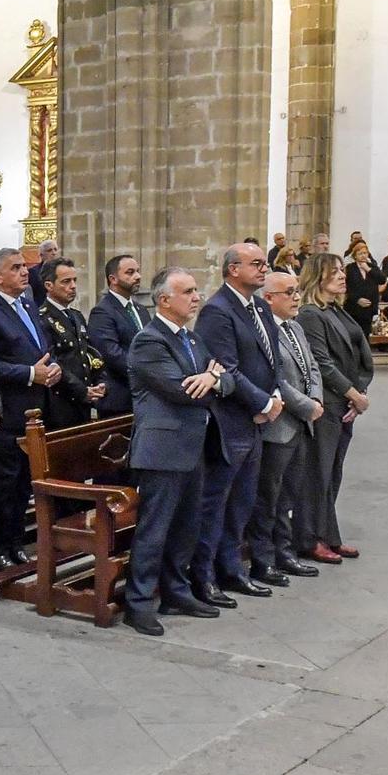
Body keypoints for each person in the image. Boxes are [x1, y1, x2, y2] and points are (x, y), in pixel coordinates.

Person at [121, 268, 225, 637]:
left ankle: (177, 591)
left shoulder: (192, 340)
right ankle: (139, 603)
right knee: (154, 529)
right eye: (188, 291)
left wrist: (212, 377)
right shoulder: (149, 341)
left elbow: (222, 375)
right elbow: (180, 390)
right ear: (164, 300)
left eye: (196, 291)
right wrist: (209, 379)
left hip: (193, 445)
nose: (196, 297)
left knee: (186, 526)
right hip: (162, 450)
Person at [188, 243, 284, 607]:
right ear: (232, 270)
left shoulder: (258, 305)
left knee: (242, 502)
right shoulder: (217, 311)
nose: (264, 269)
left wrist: (273, 396)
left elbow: (270, 359)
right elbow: (226, 367)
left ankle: (232, 569)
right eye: (256, 264)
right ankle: (204, 577)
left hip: (256, 419)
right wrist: (262, 402)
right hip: (230, 422)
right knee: (216, 503)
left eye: (264, 263)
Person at [0, 247, 58, 568]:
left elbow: (40, 346)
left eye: (24, 266)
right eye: (16, 267)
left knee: (24, 484)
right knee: (6, 483)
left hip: (35, 409)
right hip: (9, 411)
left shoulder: (27, 301)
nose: (25, 272)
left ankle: (17, 543)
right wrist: (32, 374)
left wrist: (51, 367)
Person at [296, 253, 373, 564]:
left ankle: (328, 534)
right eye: (335, 272)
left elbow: (356, 355)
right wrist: (353, 393)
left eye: (342, 271)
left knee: (333, 471)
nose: (343, 276)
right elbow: (321, 362)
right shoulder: (311, 314)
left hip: (345, 402)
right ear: (318, 278)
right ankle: (309, 538)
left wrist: (358, 394)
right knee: (318, 473)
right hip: (327, 403)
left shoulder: (336, 310)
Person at [254, 272, 324, 584]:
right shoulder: (265, 330)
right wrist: (306, 406)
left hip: (302, 425)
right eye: (289, 292)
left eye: (297, 291)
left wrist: (316, 398)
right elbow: (275, 376)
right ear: (269, 298)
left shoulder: (295, 326)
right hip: (279, 426)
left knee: (289, 496)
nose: (297, 297)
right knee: (269, 496)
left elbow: (312, 366)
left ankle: (284, 552)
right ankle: (263, 558)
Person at [32, 259, 105, 428]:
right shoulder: (42, 318)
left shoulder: (76, 315)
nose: (73, 286)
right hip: (61, 402)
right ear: (49, 285)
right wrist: (81, 391)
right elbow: (53, 361)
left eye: (74, 280)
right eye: (66, 281)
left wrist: (101, 382)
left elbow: (89, 352)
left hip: (84, 399)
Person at [86, 253, 143, 418]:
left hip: (143, 396)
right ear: (113, 279)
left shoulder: (141, 310)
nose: (137, 276)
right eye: (130, 272)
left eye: (138, 271)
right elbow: (111, 353)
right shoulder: (103, 312)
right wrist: (145, 372)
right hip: (119, 398)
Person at [344, 237, 381, 335]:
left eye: (365, 253)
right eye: (360, 254)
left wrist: (368, 269)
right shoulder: (350, 268)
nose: (363, 256)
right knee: (354, 333)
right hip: (354, 307)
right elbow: (346, 288)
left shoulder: (372, 267)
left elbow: (381, 279)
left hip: (370, 307)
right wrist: (357, 299)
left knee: (366, 334)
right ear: (355, 256)